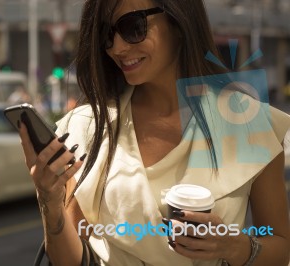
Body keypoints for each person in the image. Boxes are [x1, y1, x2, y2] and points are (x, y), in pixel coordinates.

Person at [18, 0, 290, 265]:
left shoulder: (248, 122)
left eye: (132, 27)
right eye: (105, 33)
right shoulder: (87, 126)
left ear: (178, 19)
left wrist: (233, 246)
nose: (117, 47)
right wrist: (49, 201)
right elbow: (69, 259)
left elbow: (280, 250)